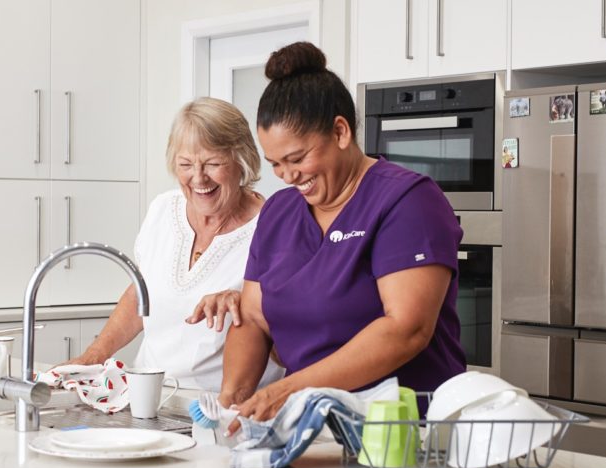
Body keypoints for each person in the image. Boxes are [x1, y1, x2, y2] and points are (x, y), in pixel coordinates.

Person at [219, 42, 465, 428]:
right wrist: (232, 401)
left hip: (405, 434)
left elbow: (407, 328)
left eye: (298, 159)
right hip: (311, 430)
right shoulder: (279, 212)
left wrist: (290, 390)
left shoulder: (407, 200)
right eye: (276, 165)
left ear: (340, 131)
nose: (287, 176)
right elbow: (252, 317)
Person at [68, 97, 282, 392]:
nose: (198, 178)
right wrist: (93, 356)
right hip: (149, 396)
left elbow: (284, 330)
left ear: (241, 160)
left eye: (212, 163)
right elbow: (140, 295)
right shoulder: (163, 210)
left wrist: (243, 302)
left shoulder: (274, 227)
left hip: (222, 407)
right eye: (185, 164)